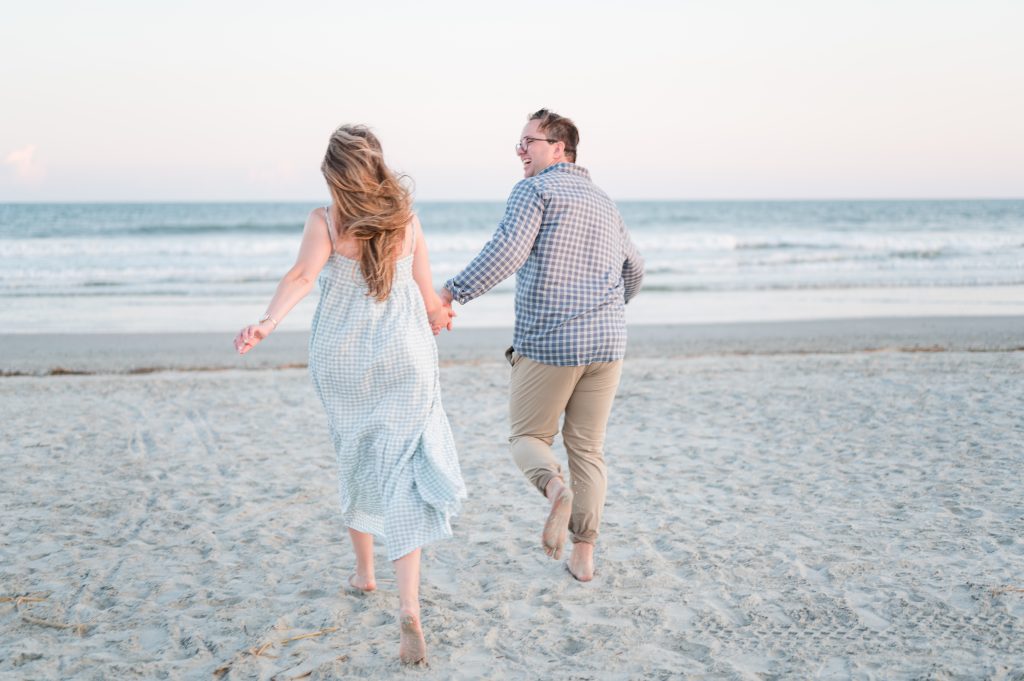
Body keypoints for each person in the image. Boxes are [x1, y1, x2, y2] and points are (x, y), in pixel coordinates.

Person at [233, 124, 465, 666]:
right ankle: (408, 604)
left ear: (335, 175)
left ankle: (365, 575)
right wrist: (440, 313)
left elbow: (301, 275)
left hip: (343, 363)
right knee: (403, 473)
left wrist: (266, 323)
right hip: (404, 359)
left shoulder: (327, 220)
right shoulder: (407, 220)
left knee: (356, 454)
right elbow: (429, 298)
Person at [440, 109, 644, 582]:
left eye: (527, 142)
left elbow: (507, 251)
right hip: (608, 344)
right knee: (588, 450)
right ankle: (584, 557)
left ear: (559, 148)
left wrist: (452, 292)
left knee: (527, 438)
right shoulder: (603, 200)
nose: (519, 151)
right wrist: (609, 310)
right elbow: (635, 268)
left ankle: (555, 491)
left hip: (550, 343)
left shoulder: (535, 190)